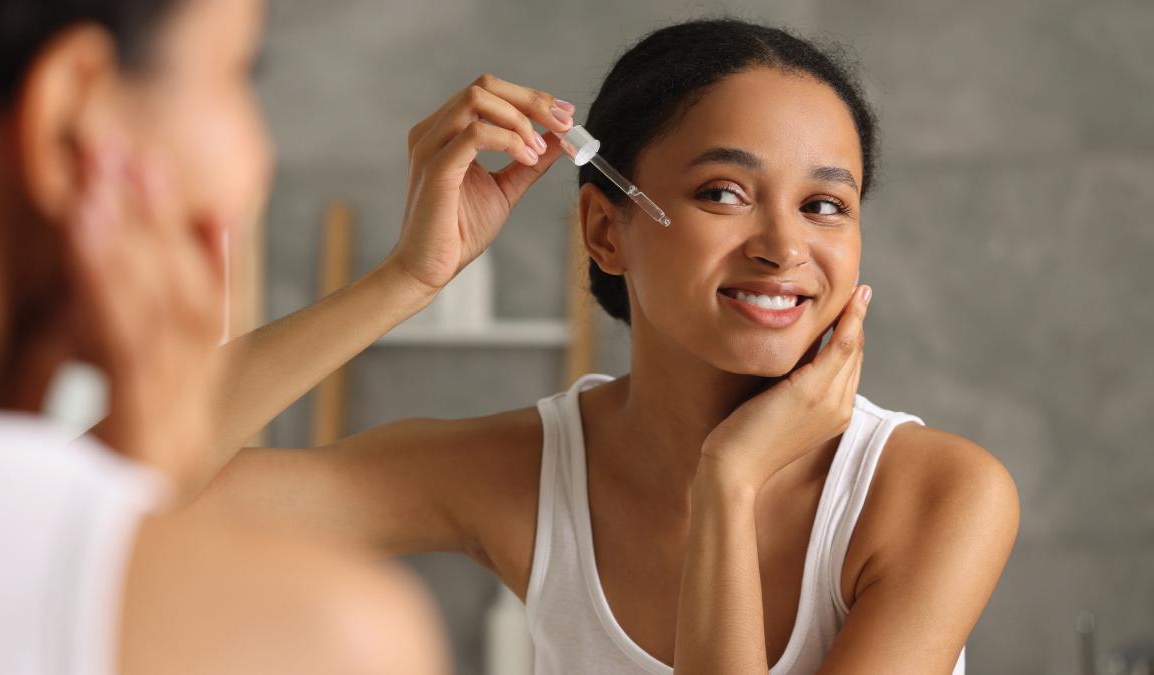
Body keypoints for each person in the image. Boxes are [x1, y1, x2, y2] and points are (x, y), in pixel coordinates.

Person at [187, 18, 1021, 675]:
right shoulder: (521, 475)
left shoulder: (936, 495)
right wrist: (408, 277)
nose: (784, 247)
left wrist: (727, 483)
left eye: (825, 205)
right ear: (604, 228)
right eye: (724, 192)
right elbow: (120, 487)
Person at [0, 0, 572, 672]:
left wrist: (407, 279)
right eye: (238, 73)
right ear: (69, 113)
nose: (256, 159)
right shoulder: (323, 633)